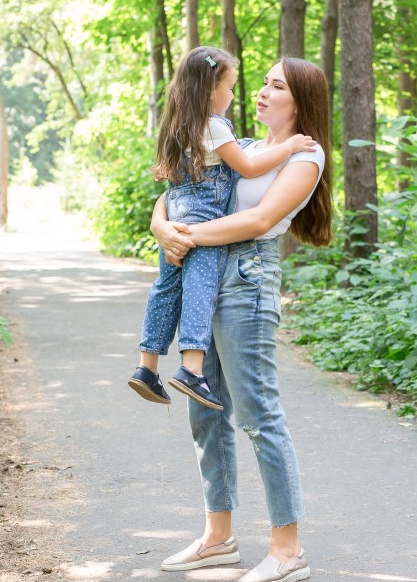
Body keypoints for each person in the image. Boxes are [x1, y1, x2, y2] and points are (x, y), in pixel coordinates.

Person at [150, 57, 333, 582]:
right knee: (205, 409)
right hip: (206, 278)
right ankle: (219, 538)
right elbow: (174, 194)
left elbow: (258, 220)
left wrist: (185, 237)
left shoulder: (307, 155)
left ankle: (287, 548)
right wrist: (163, 227)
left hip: (248, 282)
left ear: (300, 101)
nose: (262, 92)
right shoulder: (245, 146)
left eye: (277, 86)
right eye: (264, 83)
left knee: (257, 414)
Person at [128, 46, 316, 410]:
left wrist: (166, 227)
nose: (238, 95)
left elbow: (172, 185)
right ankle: (191, 369)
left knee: (165, 289)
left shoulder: (179, 123)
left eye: (274, 86)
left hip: (178, 212)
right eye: (230, 88)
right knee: (199, 286)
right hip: (200, 218)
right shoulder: (215, 126)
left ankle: (146, 366)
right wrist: (290, 145)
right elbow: (247, 167)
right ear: (211, 89)